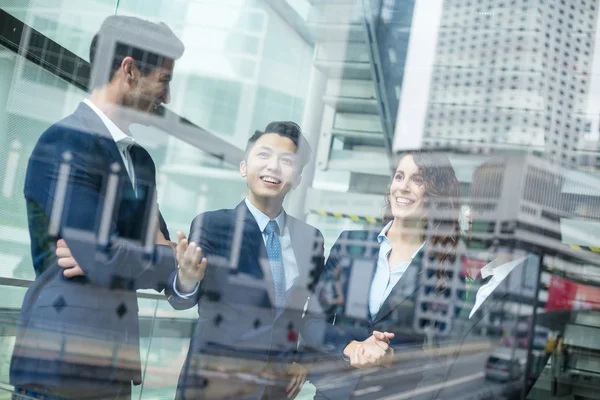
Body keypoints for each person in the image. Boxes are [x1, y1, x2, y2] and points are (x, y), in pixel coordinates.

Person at [10, 16, 184, 400]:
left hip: (114, 372)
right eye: (164, 80)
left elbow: (149, 261)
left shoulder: (140, 163)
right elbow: (103, 254)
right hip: (59, 367)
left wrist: (140, 254)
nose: (167, 97)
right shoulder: (65, 143)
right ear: (130, 70)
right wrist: (151, 253)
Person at [167, 121, 326, 399]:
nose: (273, 167)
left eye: (286, 160)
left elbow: (318, 306)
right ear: (244, 167)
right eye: (263, 155)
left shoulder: (310, 239)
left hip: (274, 388)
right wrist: (188, 279)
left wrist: (305, 357)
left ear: (298, 179)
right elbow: (181, 300)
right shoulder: (213, 224)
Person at [305, 150, 461, 399]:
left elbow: (446, 359)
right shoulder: (351, 244)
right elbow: (311, 321)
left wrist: (392, 358)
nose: (404, 187)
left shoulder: (444, 269)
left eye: (418, 180)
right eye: (399, 177)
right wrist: (351, 347)